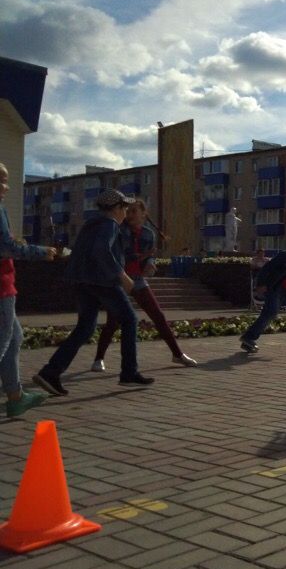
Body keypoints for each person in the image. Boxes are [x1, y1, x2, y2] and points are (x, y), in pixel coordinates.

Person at [34, 190, 153, 395]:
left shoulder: (91, 224)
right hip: (103, 281)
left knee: (85, 328)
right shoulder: (109, 225)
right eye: (124, 208)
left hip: (82, 281)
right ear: (116, 209)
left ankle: (50, 372)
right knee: (129, 320)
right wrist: (122, 276)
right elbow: (101, 250)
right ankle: (128, 373)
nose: (126, 212)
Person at [92, 200, 198, 372]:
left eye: (134, 211)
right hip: (120, 279)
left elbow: (149, 256)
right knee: (113, 321)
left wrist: (150, 262)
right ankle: (98, 359)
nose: (130, 215)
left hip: (138, 280)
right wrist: (143, 257)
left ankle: (177, 354)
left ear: (143, 213)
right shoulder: (119, 230)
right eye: (128, 211)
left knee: (158, 316)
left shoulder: (149, 234)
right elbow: (121, 256)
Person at [0, 162, 56, 416]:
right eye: (1, 181)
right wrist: (41, 252)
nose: (6, 187)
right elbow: (6, 248)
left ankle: (15, 396)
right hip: (1, 287)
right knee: (3, 343)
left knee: (14, 339)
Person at [239, 235, 286, 353]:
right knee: (270, 312)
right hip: (274, 287)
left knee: (271, 313)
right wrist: (261, 284)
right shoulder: (284, 256)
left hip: (285, 292)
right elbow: (266, 269)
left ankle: (247, 341)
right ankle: (248, 337)